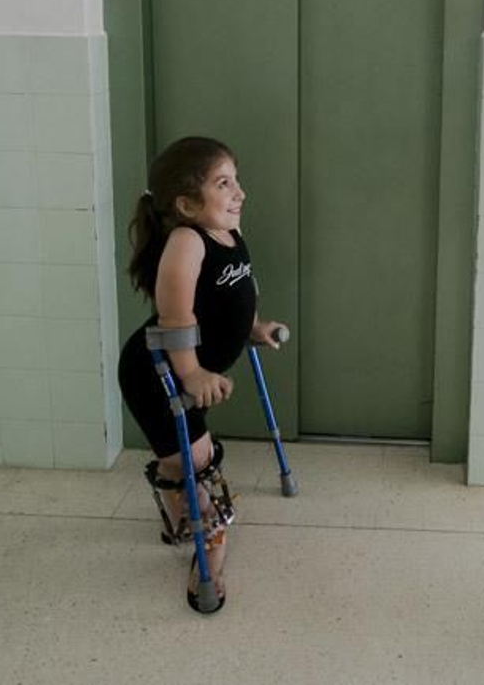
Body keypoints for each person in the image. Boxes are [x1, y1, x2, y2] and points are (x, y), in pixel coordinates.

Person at [117, 135, 287, 612]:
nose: (240, 193)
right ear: (187, 203)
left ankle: (181, 514)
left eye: (237, 180)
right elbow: (176, 318)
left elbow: (232, 300)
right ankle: (203, 530)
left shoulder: (228, 234)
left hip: (183, 366)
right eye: (223, 183)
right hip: (157, 371)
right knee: (193, 458)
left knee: (189, 456)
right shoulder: (186, 243)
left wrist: (255, 326)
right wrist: (191, 373)